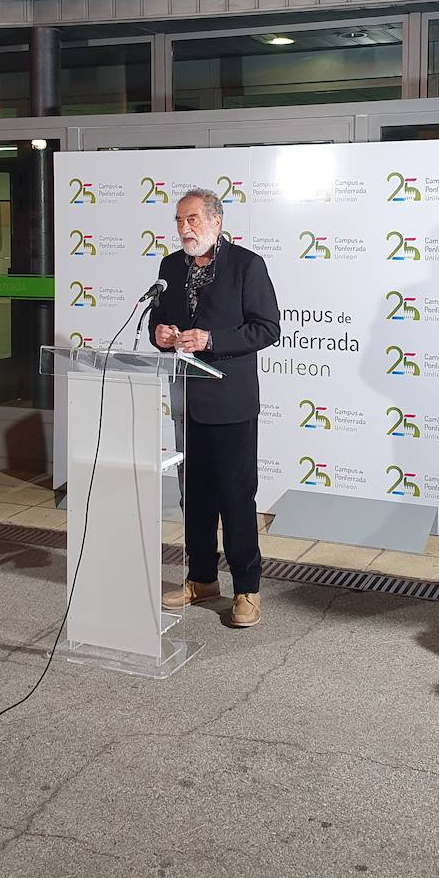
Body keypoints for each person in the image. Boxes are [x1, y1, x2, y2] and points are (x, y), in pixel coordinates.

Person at [150, 189, 280, 628]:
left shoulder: (247, 265)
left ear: (216, 221)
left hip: (231, 403)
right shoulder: (171, 267)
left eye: (192, 219)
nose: (184, 228)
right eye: (179, 220)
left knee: (236, 498)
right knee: (195, 498)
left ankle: (247, 589)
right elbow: (158, 321)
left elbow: (267, 329)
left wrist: (212, 340)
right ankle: (201, 579)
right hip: (187, 402)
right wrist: (160, 334)